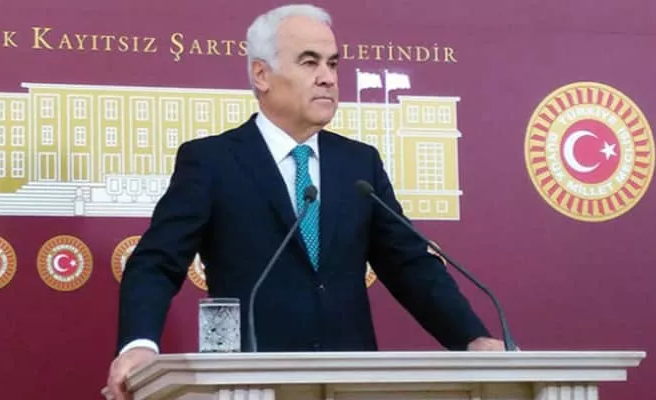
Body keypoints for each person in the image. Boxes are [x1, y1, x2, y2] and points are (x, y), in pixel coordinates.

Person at [107, 3, 505, 399]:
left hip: (351, 386)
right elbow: (156, 262)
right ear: (261, 75)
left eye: (333, 64)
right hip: (251, 385)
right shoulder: (212, 162)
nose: (327, 78)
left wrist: (471, 338)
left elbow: (410, 265)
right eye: (310, 62)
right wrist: (138, 345)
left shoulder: (358, 163)